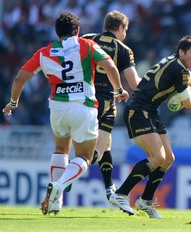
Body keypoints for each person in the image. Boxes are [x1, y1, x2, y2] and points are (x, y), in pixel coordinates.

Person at [2, 11, 129, 215]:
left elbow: (19, 78)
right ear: (77, 30)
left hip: (58, 108)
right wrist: (119, 90)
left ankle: (55, 202)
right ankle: (59, 185)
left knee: (61, 150)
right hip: (83, 106)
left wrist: (13, 102)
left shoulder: (45, 52)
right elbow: (110, 66)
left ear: (57, 32)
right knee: (85, 157)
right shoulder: (86, 46)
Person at [108, 35, 191, 218]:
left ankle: (145, 201)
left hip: (150, 111)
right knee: (157, 157)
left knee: (168, 158)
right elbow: (187, 103)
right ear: (181, 52)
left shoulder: (177, 64)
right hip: (138, 110)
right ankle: (121, 193)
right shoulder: (178, 69)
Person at [82, 10, 141, 204]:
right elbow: (134, 83)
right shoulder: (123, 49)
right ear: (120, 28)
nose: (126, 34)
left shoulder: (86, 39)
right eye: (126, 30)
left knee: (106, 146)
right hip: (106, 100)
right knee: (96, 153)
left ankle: (109, 188)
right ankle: (66, 178)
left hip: (82, 97)